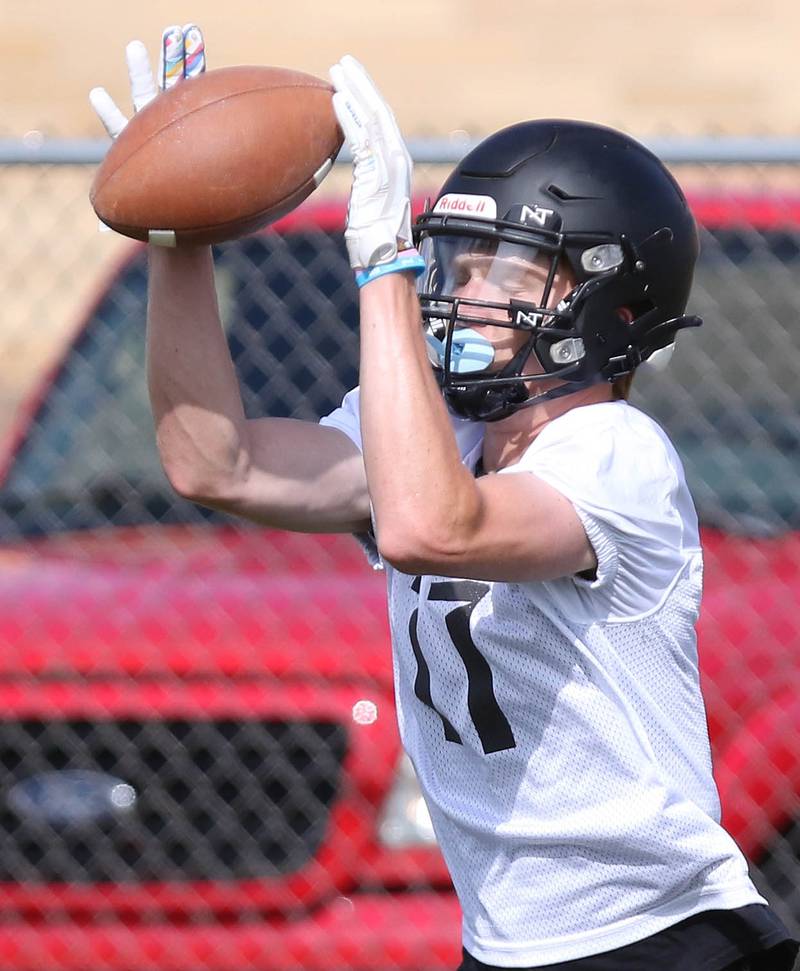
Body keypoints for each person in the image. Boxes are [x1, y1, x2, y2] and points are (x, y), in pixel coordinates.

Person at [92, 28, 799, 971]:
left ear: (609, 305)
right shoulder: (449, 438)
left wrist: (385, 261)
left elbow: (431, 526)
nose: (459, 293)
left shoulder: (616, 454)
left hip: (656, 938)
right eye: (453, 264)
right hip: (504, 944)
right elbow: (213, 463)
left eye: (501, 269)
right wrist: (181, 232)